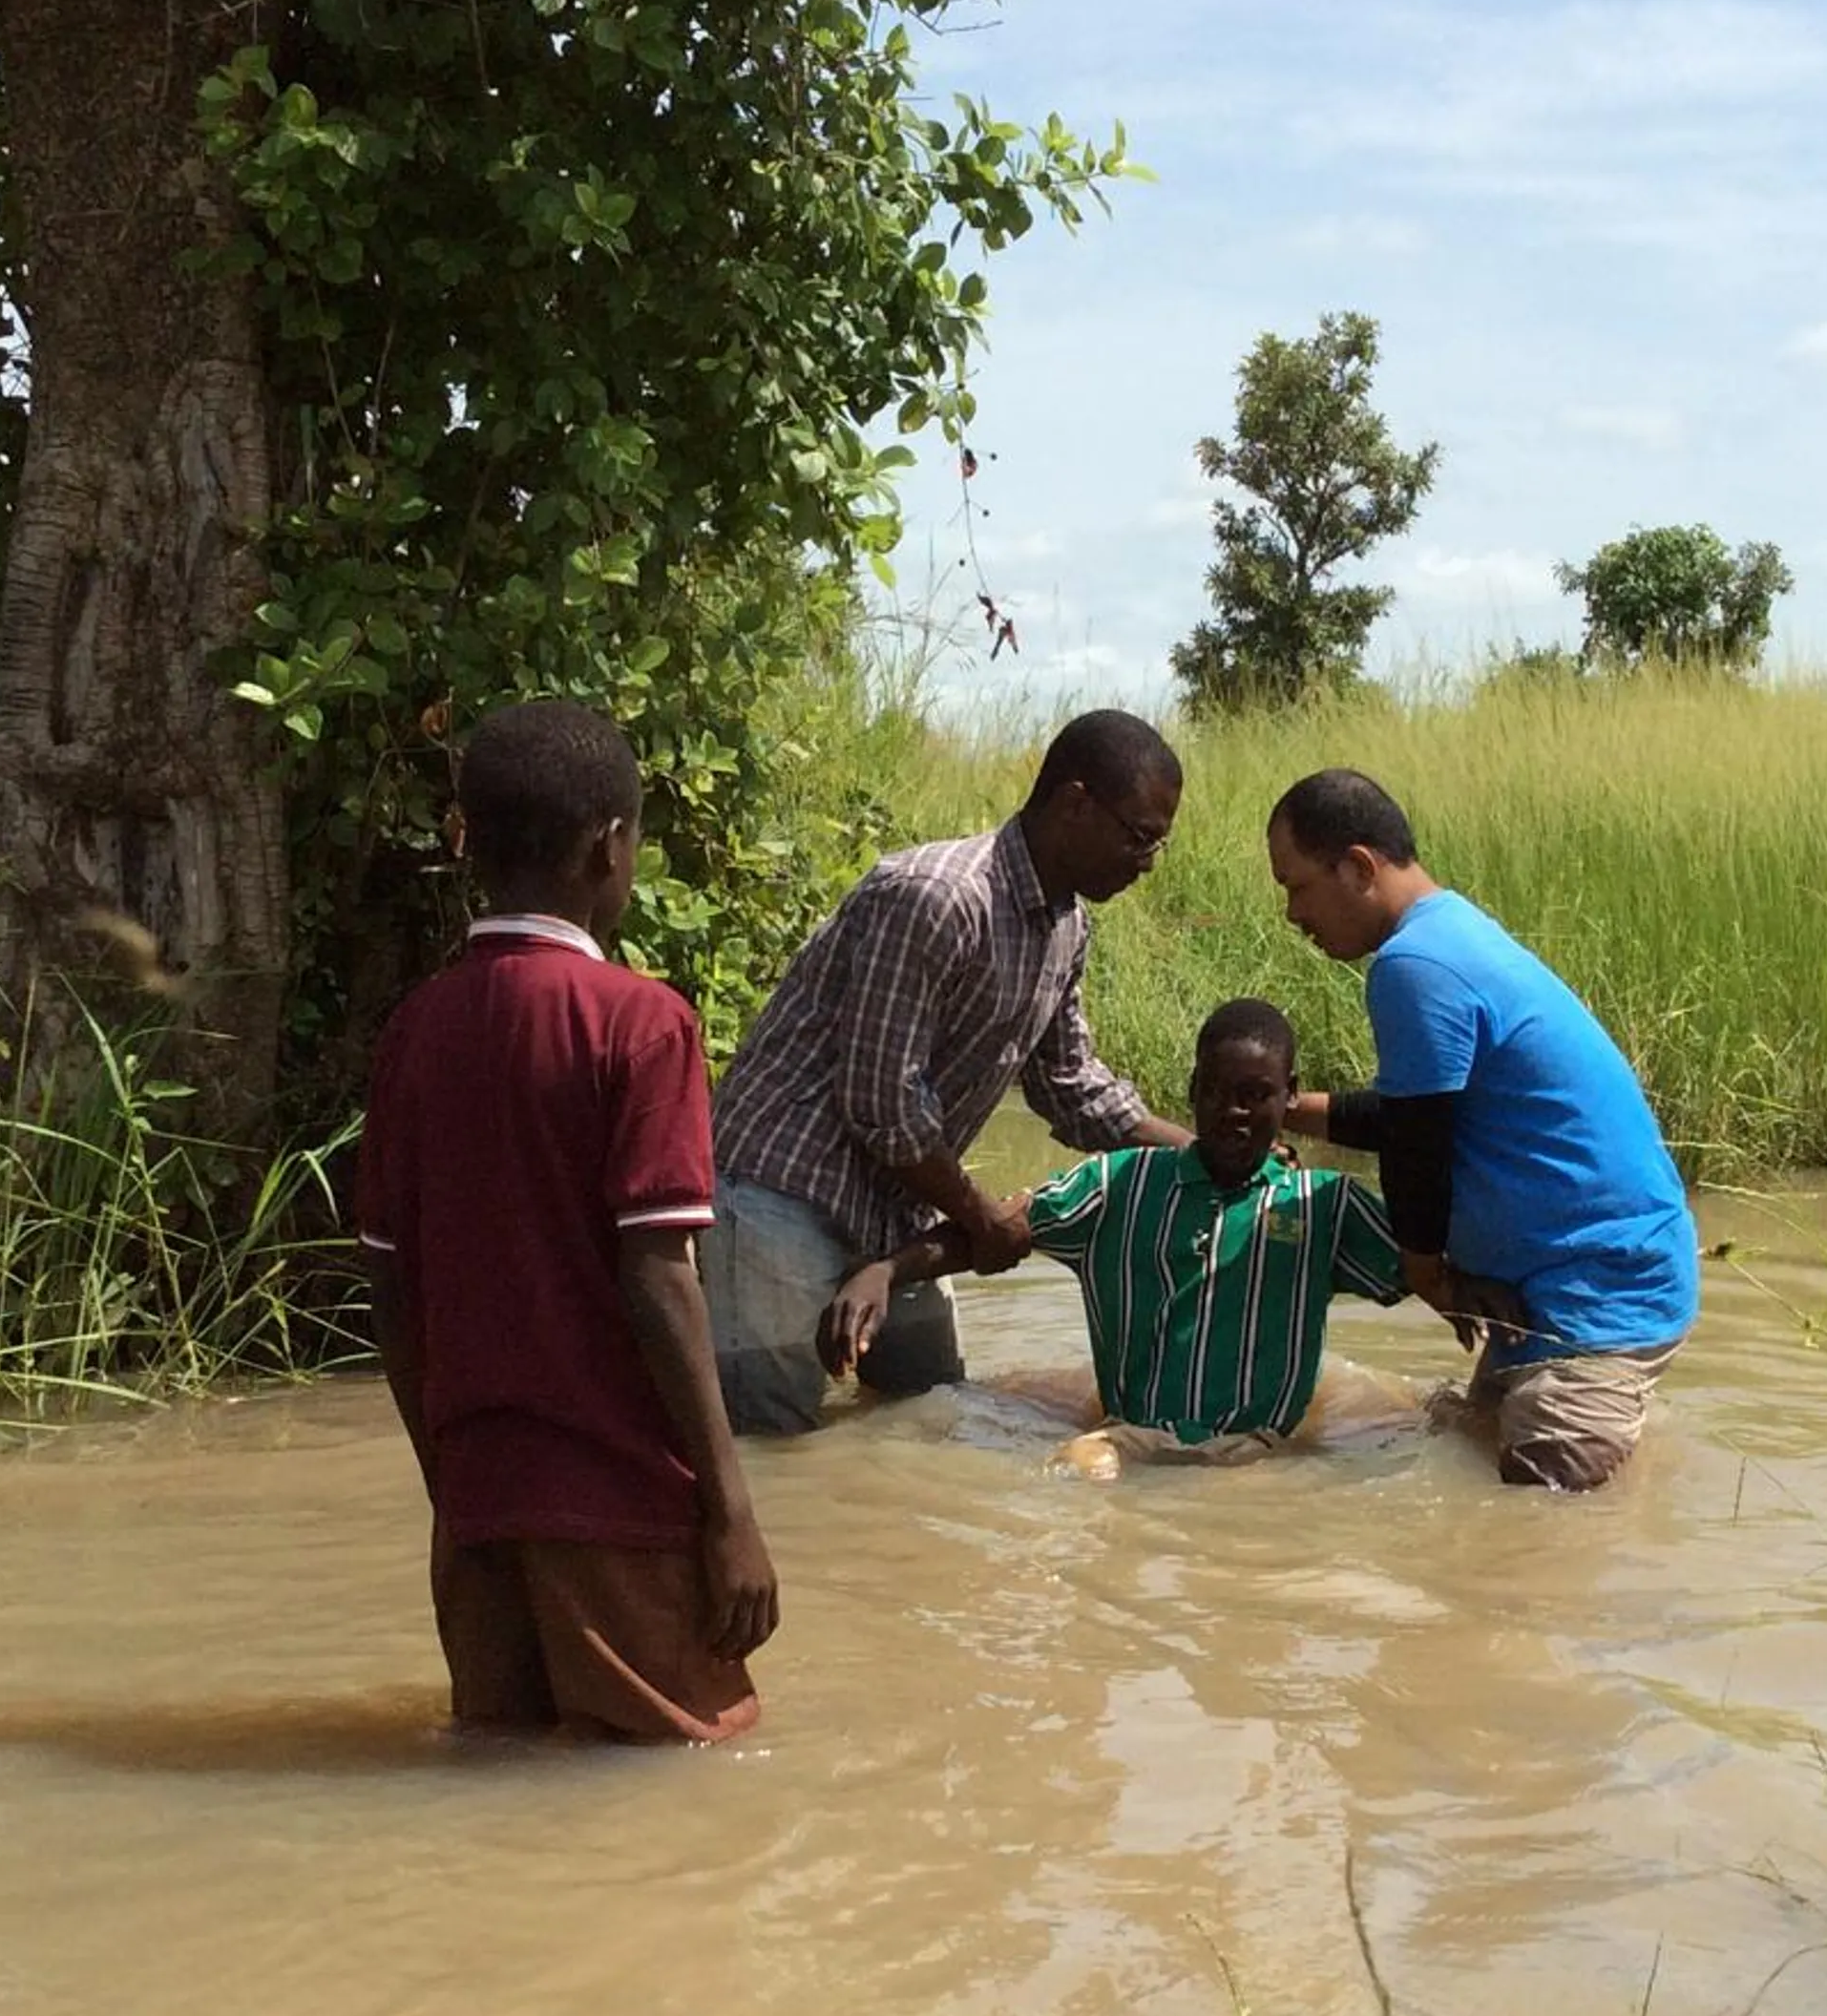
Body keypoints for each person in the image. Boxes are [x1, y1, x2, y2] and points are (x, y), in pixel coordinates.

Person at [359, 702, 779, 1743]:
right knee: (681, 1779)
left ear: (472, 843)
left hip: (476, 1510)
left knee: (503, 1771)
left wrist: (450, 1487)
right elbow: (660, 1276)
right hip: (617, 1505)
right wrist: (731, 1512)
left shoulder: (414, 1031)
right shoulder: (644, 1025)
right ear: (609, 846)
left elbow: (392, 1290)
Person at [705, 707, 1192, 1434]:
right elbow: (881, 1102)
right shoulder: (938, 897)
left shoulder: (1066, 926)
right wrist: (981, 1217)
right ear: (1075, 804)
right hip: (783, 1192)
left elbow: (1071, 1086)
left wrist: (1202, 1154)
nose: (1147, 862)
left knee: (932, 1414)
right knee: (772, 1440)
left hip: (897, 1207)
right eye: (1140, 836)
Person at [1263, 767, 1696, 1489]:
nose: (1292, 913)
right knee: (1473, 1456)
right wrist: (1289, 1109)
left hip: (1598, 1294)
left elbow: (1417, 1148)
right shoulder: (1450, 933)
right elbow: (1418, 1115)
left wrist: (1428, 1277)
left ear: (1359, 867)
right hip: (1561, 1286)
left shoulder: (1413, 964)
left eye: (1297, 886)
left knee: (1545, 1517)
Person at [820, 998, 1405, 1472]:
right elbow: (998, 1233)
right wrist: (887, 1270)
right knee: (1076, 1472)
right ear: (1192, 1089)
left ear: (1290, 1094)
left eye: (1255, 1096)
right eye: (1215, 1092)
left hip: (1259, 1455)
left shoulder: (1323, 1205)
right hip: (1129, 1440)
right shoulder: (1119, 1184)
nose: (1233, 1112)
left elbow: (1425, 1272)